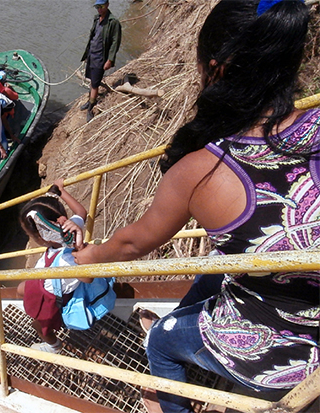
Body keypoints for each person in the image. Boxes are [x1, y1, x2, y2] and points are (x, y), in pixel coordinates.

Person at [73, 1, 319, 411]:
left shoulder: (200, 172)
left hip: (289, 359)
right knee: (213, 271)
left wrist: (87, 258)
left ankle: (177, 361)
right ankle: (196, 320)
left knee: (163, 343)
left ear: (217, 69)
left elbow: (133, 245)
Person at [17, 179, 91, 354]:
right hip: (54, 286)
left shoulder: (68, 258)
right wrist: (60, 191)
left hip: (52, 301)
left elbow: (88, 277)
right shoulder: (68, 229)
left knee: (40, 326)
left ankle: (54, 346)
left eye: (31, 235)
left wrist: (79, 249)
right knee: (21, 289)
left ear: (42, 236)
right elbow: (81, 212)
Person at [80, 0, 122, 122]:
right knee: (91, 80)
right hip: (92, 55)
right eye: (97, 6)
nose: (99, 9)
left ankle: (90, 110)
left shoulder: (113, 22)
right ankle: (89, 102)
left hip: (100, 58)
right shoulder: (96, 19)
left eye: (101, 6)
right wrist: (87, 54)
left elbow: (115, 42)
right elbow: (92, 37)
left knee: (95, 84)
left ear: (107, 5)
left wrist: (110, 59)